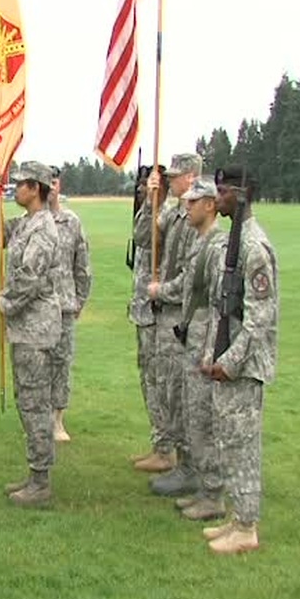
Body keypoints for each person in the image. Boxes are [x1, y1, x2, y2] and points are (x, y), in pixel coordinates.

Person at [199, 165, 279, 555]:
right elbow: (222, 308)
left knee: (242, 444)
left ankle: (247, 527)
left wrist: (229, 362)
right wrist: (210, 353)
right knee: (227, 442)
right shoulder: (234, 240)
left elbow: (260, 317)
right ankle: (236, 516)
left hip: (244, 369)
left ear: (243, 194)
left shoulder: (253, 247)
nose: (218, 197)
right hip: (227, 361)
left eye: (225, 191)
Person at [0, 161, 62, 505]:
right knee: (27, 403)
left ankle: (41, 483)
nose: (16, 189)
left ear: (36, 188)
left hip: (36, 329)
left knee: (34, 404)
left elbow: (29, 277)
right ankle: (35, 474)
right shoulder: (27, 224)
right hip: (25, 330)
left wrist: (5, 302)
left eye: (20, 185)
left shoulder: (43, 229)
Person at [138, 154, 203, 497]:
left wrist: (160, 289)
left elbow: (191, 277)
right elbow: (144, 239)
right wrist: (151, 202)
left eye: (175, 177)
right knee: (165, 388)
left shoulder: (196, 220)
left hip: (181, 315)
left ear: (191, 178)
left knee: (181, 393)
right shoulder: (172, 212)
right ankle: (177, 460)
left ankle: (188, 466)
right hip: (166, 313)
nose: (170, 182)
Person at [172, 178, 228, 522]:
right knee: (194, 416)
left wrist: (212, 350)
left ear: (209, 204)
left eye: (193, 202)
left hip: (207, 342)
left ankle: (213, 495)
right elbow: (186, 285)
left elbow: (221, 304)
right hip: (194, 338)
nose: (187, 207)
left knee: (205, 419)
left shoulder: (217, 246)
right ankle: (205, 490)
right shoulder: (200, 242)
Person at [47, 166, 92, 442]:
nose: (50, 187)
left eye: (54, 181)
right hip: (36, 308)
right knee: (38, 366)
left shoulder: (71, 222)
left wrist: (80, 299)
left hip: (63, 305)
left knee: (62, 363)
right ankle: (39, 418)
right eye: (46, 182)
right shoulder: (31, 220)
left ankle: (58, 420)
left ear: (59, 185)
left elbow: (82, 264)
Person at [128, 165, 166, 467]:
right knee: (148, 381)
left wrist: (153, 204)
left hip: (159, 315)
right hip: (143, 311)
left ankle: (166, 449)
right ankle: (160, 444)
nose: (142, 190)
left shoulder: (168, 216)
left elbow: (143, 237)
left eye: (148, 185)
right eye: (140, 186)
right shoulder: (148, 213)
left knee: (159, 382)